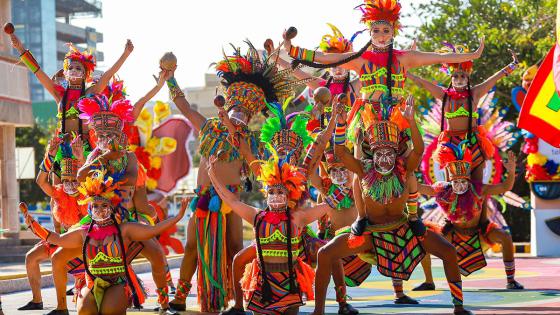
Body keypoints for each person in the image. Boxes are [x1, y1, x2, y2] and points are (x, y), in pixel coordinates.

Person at [167, 41, 304, 312]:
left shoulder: (248, 142)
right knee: (192, 246)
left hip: (231, 200)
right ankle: (181, 296)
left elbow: (258, 168)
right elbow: (182, 105)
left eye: (246, 112)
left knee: (235, 246)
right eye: (236, 110)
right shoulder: (207, 127)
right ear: (227, 106)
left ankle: (240, 298)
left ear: (251, 116)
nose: (240, 115)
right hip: (204, 200)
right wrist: (170, 78)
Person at [20, 171, 189, 315]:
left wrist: (178, 216)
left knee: (109, 311)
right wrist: (32, 224)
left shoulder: (124, 229)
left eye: (104, 205)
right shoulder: (83, 232)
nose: (99, 210)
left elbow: (154, 230)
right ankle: (62, 305)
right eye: (95, 206)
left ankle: (163, 303)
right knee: (85, 311)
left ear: (111, 207)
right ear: (89, 209)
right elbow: (56, 239)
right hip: (92, 282)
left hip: (116, 283)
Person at [209, 151, 333, 315]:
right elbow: (231, 200)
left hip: (289, 288)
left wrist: (348, 187)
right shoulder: (257, 216)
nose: (275, 197)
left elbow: (329, 204)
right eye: (271, 193)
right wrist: (212, 174)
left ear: (289, 196)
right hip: (263, 288)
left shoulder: (297, 218)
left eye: (280, 192)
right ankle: (238, 305)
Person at [414, 143, 524, 291]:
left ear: (468, 180)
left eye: (463, 182)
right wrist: (410, 170)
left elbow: (505, 187)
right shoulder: (443, 190)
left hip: (479, 234)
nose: (459, 186)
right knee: (423, 238)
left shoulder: (479, 189)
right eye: (456, 182)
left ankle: (511, 280)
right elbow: (419, 187)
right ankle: (428, 281)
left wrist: (511, 172)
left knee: (505, 237)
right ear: (450, 182)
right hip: (452, 233)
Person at [408, 43, 518, 181]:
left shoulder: (475, 93)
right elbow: (422, 82)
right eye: (456, 76)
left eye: (462, 76)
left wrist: (513, 65)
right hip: (451, 145)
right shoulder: (444, 95)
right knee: (451, 189)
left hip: (472, 143)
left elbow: (494, 78)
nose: (459, 79)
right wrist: (404, 70)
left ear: (468, 78)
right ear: (450, 77)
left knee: (477, 188)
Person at [18, 137, 87, 311]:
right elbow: (41, 182)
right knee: (31, 258)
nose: (70, 185)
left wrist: (81, 160)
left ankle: (61, 307)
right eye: (66, 181)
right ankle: (37, 300)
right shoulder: (59, 193)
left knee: (58, 258)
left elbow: (91, 178)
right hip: (59, 241)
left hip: (84, 246)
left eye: (74, 181)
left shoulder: (88, 194)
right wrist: (49, 156)